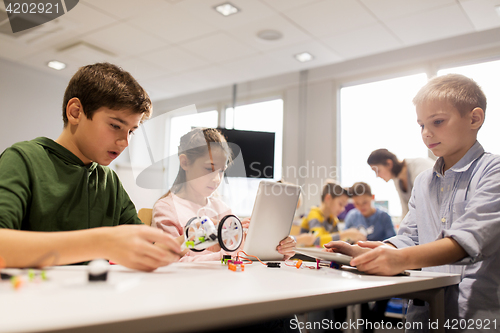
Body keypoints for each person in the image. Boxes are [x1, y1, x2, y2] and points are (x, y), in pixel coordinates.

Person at [325, 74, 500, 331]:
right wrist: (378, 252)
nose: (427, 133)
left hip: (474, 316)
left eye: (437, 122)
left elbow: (468, 240)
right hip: (424, 316)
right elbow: (410, 236)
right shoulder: (423, 181)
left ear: (474, 118)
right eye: (421, 125)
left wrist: (399, 259)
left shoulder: (492, 171)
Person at [0, 63, 181, 271]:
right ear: (76, 112)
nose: (125, 142)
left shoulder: (108, 180)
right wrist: (101, 243)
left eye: (131, 131)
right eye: (115, 126)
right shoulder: (23, 159)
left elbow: (144, 245)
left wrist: (185, 243)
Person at [152, 127, 296, 261]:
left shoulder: (222, 209)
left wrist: (278, 250)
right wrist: (232, 252)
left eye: (221, 171)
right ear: (185, 163)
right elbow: (171, 262)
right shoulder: (167, 209)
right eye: (209, 169)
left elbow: (243, 256)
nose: (217, 179)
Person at [344, 182, 396, 332]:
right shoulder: (352, 216)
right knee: (360, 300)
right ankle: (367, 325)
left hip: (382, 266)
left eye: (365, 202)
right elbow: (346, 241)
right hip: (358, 267)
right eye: (357, 203)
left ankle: (370, 325)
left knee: (382, 300)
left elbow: (392, 242)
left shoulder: (383, 216)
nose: (361, 206)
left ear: (372, 197)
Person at [367, 148, 434, 219]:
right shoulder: (397, 180)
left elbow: (426, 203)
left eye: (377, 170)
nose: (377, 175)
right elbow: (406, 210)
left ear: (389, 164)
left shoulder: (419, 166)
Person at [296, 181, 366, 247]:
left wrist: (350, 239)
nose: (343, 209)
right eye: (340, 204)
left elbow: (336, 240)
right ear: (328, 198)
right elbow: (316, 240)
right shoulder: (313, 213)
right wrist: (345, 234)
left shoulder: (333, 219)